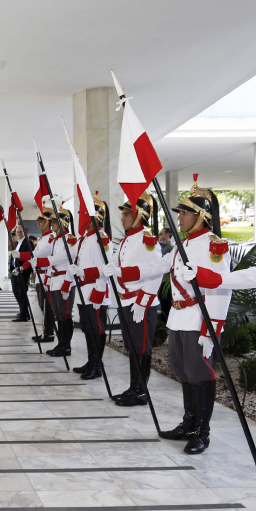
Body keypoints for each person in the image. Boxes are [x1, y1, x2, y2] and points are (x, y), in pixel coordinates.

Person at [105, 175, 230, 454]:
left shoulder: (214, 246)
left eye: (185, 213)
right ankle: (188, 423)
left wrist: (211, 329)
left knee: (200, 373)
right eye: (180, 213)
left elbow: (222, 289)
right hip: (178, 318)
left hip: (199, 320)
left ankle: (202, 432)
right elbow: (156, 267)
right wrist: (123, 272)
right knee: (183, 370)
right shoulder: (182, 245)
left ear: (202, 216)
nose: (180, 217)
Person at [109, 193, 161, 405]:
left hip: (140, 304)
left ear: (139, 215)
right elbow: (117, 265)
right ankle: (133, 387)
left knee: (141, 348)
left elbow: (156, 273)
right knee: (132, 347)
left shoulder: (147, 241)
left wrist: (142, 302)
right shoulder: (126, 240)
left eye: (126, 215)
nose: (122, 219)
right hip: (126, 301)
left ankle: (140, 392)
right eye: (122, 214)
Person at [65, 196, 112, 381]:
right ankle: (91, 361)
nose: (81, 218)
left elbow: (104, 269)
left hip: (95, 291)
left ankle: (97, 365)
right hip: (83, 291)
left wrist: (98, 292)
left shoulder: (102, 239)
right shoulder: (85, 238)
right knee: (87, 327)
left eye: (84, 214)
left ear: (95, 217)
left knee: (96, 328)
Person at [34, 210, 77, 358]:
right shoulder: (56, 240)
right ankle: (61, 344)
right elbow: (52, 262)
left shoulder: (70, 240)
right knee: (58, 315)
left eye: (54, 222)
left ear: (63, 222)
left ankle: (66, 346)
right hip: (54, 281)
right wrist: (48, 280)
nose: (51, 224)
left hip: (64, 281)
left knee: (65, 315)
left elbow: (65, 259)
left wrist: (67, 283)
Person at [13, 208, 59, 346]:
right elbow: (35, 256)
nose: (38, 224)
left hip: (46, 276)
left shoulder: (51, 238)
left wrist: (20, 255)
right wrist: (23, 267)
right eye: (38, 221)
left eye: (41, 221)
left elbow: (37, 254)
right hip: (40, 275)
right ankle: (46, 331)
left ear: (48, 222)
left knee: (47, 306)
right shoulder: (44, 238)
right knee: (42, 305)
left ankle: (49, 333)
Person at [10, 226, 32, 322]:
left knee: (22, 292)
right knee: (16, 291)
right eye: (17, 232)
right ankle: (23, 310)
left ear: (24, 232)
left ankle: (24, 314)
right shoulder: (16, 243)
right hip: (15, 270)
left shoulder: (28, 242)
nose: (18, 234)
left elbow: (30, 256)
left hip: (23, 271)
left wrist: (23, 267)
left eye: (20, 232)